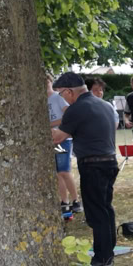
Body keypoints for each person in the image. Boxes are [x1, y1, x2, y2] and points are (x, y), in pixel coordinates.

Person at [51, 72, 119, 266]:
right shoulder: (104, 104)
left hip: (92, 164)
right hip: (109, 161)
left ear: (69, 91)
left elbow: (58, 138)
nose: (62, 98)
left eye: (61, 94)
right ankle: (108, 251)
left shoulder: (77, 108)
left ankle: (103, 257)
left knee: (96, 213)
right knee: (105, 208)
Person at [46, 75, 81, 214]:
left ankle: (76, 200)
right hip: (50, 140)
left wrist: (49, 124)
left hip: (62, 139)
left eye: (46, 81)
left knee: (64, 171)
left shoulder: (57, 97)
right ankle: (64, 201)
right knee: (57, 173)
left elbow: (68, 116)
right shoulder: (41, 99)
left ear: (50, 82)